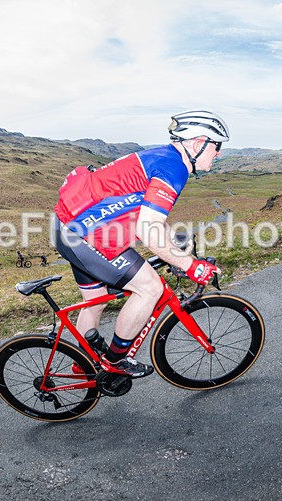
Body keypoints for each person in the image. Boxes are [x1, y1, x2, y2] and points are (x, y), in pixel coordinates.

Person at [53, 110, 226, 378]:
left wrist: (176, 252)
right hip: (84, 234)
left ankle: (84, 365)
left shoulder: (162, 156)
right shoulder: (173, 168)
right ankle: (114, 362)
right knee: (150, 288)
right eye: (217, 146)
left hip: (67, 225)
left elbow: (153, 216)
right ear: (198, 143)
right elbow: (148, 228)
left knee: (95, 300)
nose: (219, 153)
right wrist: (191, 266)